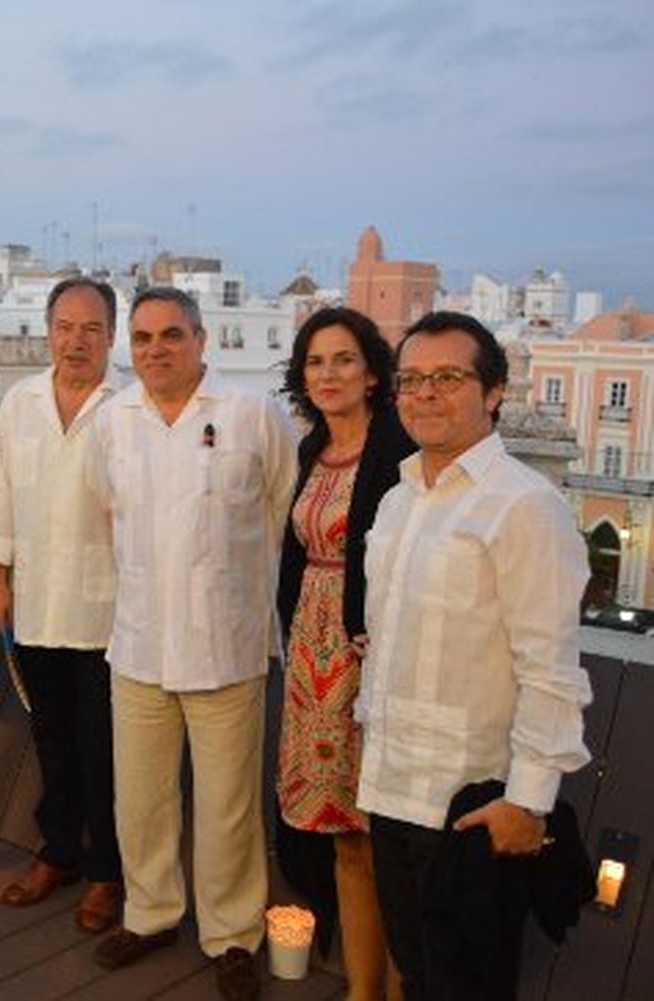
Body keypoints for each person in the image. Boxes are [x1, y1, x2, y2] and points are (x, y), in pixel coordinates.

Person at [357, 312, 591, 999]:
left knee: (467, 984)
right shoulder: (400, 500)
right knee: (415, 970)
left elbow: (550, 667)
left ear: (493, 392)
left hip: (471, 803)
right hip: (393, 787)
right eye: (411, 380)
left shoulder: (525, 506)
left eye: (449, 377)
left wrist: (528, 802)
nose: (425, 393)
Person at [90, 286, 297, 1001]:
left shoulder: (252, 414)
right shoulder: (114, 420)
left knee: (228, 806)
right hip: (139, 644)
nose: (157, 350)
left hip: (227, 647)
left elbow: (281, 512)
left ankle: (233, 935)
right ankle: (150, 914)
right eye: (143, 338)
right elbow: (107, 517)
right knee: (140, 800)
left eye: (171, 335)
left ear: (202, 339)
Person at [274, 307, 413, 1000]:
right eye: (315, 362)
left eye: (344, 359)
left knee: (391, 833)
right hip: (313, 655)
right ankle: (363, 989)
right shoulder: (309, 449)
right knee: (344, 834)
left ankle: (402, 985)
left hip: (374, 652)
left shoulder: (400, 449)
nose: (328, 374)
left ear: (372, 372)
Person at [0, 278, 123, 931]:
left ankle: (107, 871)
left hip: (108, 613)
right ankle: (59, 850)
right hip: (35, 602)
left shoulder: (129, 406)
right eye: (65, 327)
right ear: (48, 332)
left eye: (91, 328)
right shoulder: (21, 401)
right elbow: (2, 492)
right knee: (52, 738)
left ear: (111, 335)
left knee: (104, 749)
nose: (76, 340)